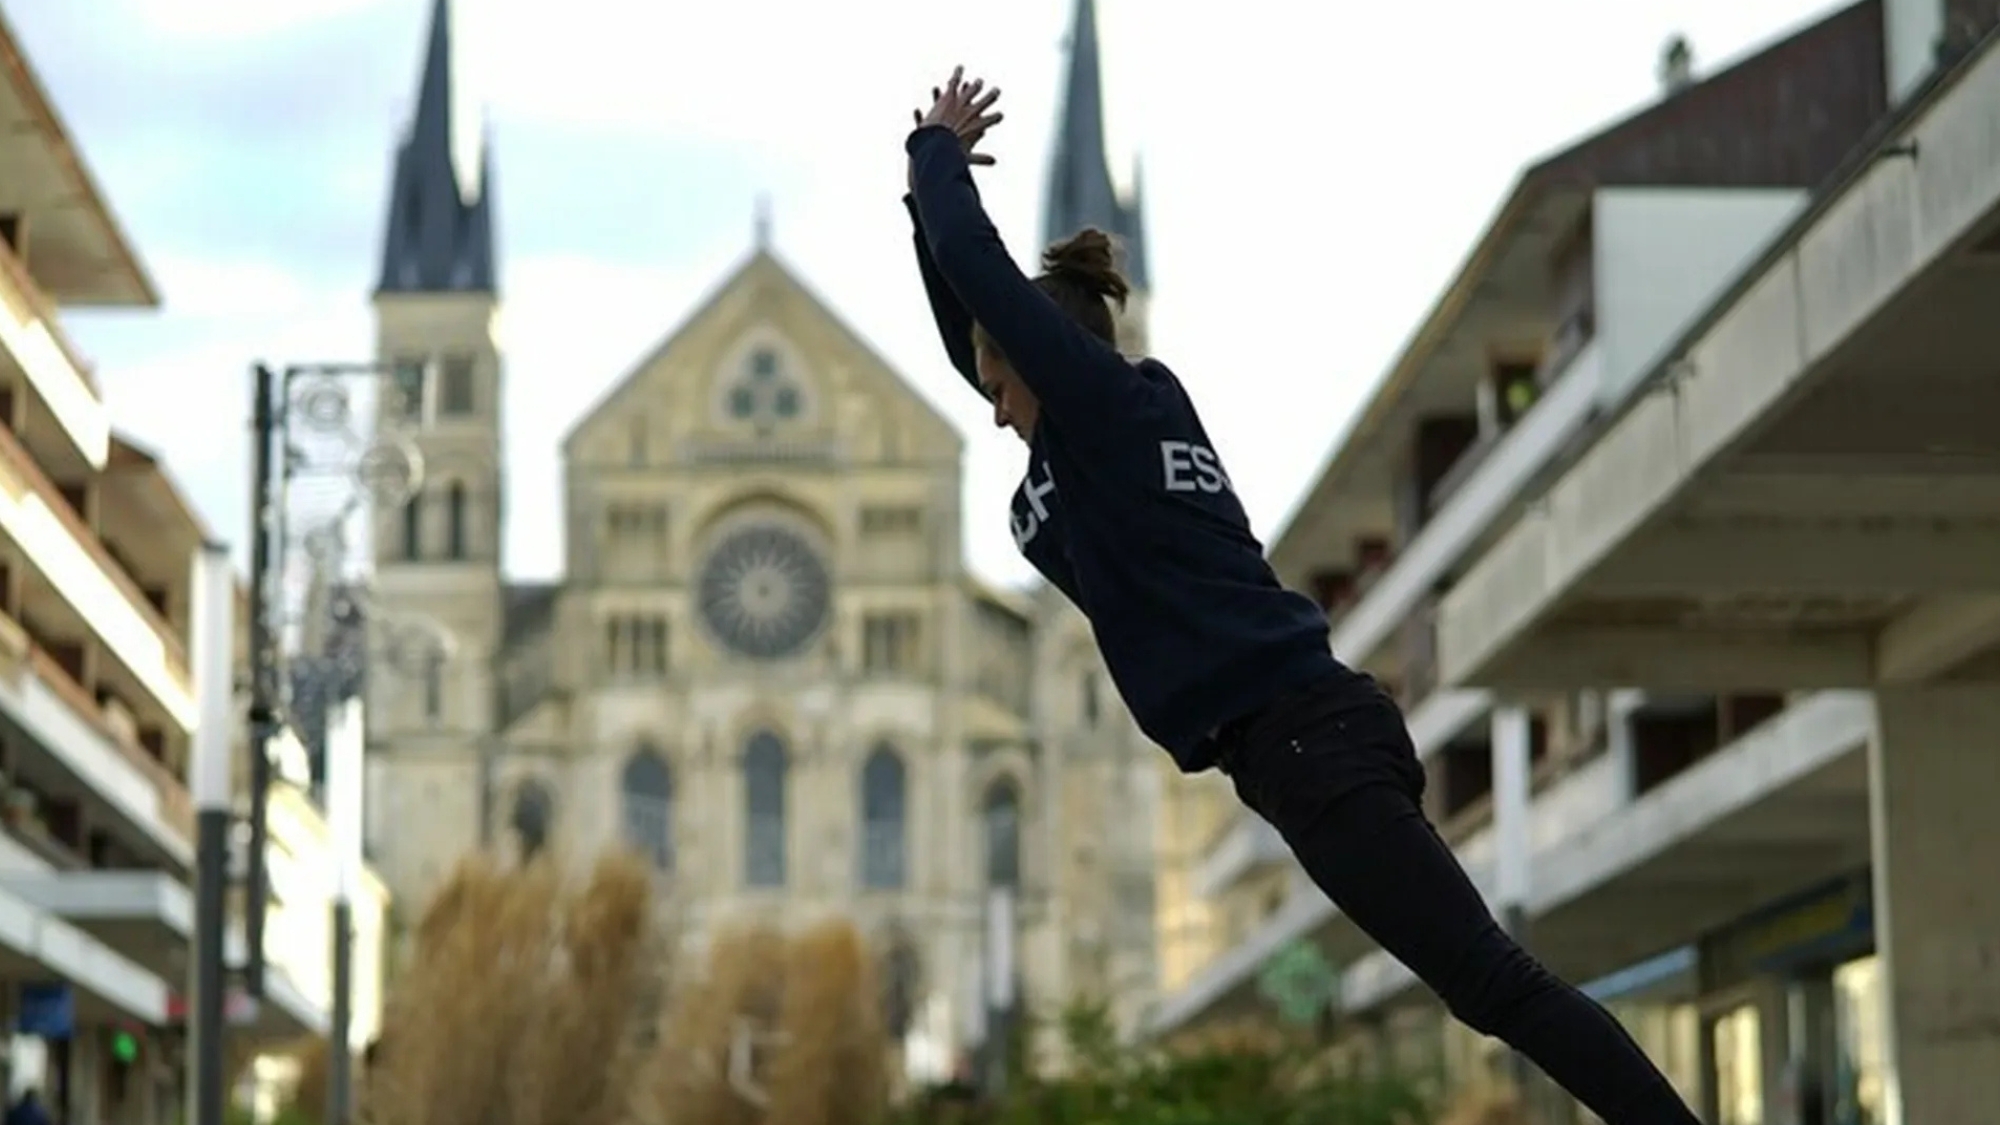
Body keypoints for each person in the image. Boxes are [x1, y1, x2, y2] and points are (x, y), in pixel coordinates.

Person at [901, 67, 1701, 1125]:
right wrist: (920, 201)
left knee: (1489, 983)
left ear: (1044, 365)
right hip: (1300, 746)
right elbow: (964, 306)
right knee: (1481, 984)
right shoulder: (1103, 423)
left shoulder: (1099, 410)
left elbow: (977, 268)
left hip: (1303, 743)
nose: (994, 414)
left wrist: (938, 154)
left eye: (1000, 387)